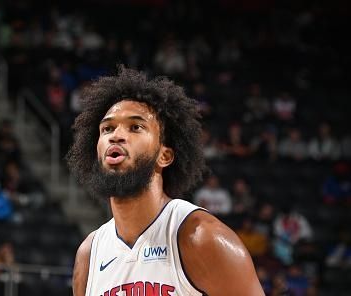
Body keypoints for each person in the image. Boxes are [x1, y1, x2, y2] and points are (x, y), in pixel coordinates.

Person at [67, 67, 264, 296]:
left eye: (135, 127)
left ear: (165, 156)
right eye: (107, 128)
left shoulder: (202, 238)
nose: (116, 135)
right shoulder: (90, 255)